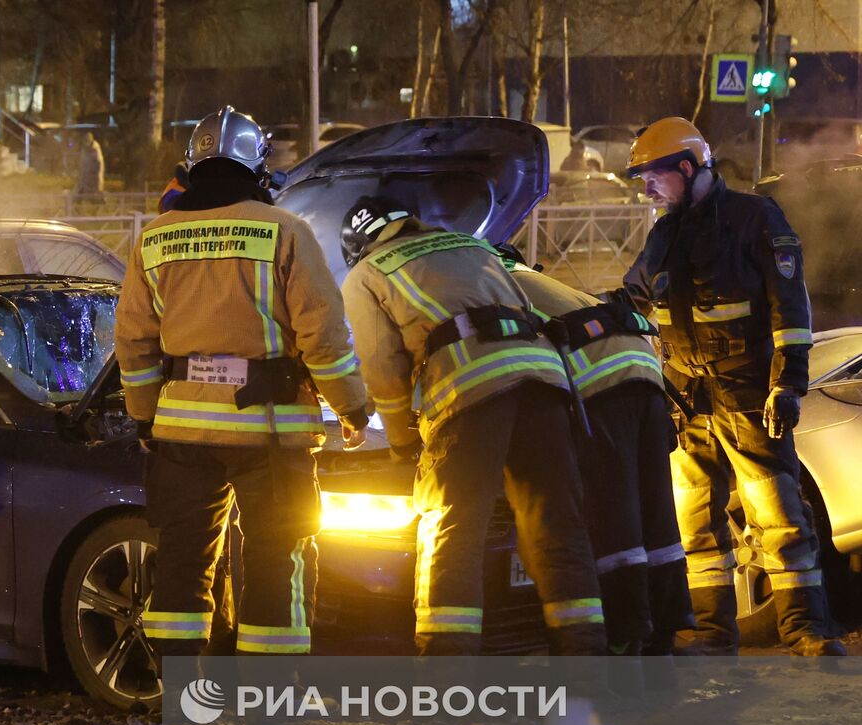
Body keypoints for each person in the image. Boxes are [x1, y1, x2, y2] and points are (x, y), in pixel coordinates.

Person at [115, 105, 368, 661]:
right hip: (269, 431)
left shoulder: (154, 239)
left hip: (181, 433)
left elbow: (133, 341)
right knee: (279, 555)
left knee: (183, 558)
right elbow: (323, 335)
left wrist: (143, 417)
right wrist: (352, 408)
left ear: (191, 166)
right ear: (259, 167)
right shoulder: (286, 231)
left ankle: (182, 701)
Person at [339, 195, 605, 657]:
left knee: (452, 529)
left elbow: (380, 367)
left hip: (470, 392)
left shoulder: (368, 272)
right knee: (557, 527)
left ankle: (447, 680)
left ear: (358, 244)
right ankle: (586, 669)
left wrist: (402, 443)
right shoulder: (474, 245)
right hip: (546, 384)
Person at [621, 116, 844, 657]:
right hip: (685, 397)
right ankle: (712, 632)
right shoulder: (666, 233)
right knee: (695, 520)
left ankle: (805, 629)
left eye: (653, 176)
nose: (648, 189)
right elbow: (635, 297)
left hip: (748, 391)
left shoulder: (755, 219)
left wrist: (787, 384)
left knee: (778, 513)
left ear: (686, 166)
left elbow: (789, 308)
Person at [504, 256, 693, 660]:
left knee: (613, 518)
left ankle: (624, 636)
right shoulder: (539, 281)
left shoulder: (488, 283)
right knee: (656, 512)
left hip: (599, 382)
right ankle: (665, 629)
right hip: (642, 369)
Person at [76, 131, 104, 196]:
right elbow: (82, 162)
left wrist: (95, 174)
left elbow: (99, 163)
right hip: (85, 175)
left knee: (97, 190)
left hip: (94, 176)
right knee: (82, 188)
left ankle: (100, 202)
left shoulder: (95, 149)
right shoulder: (85, 149)